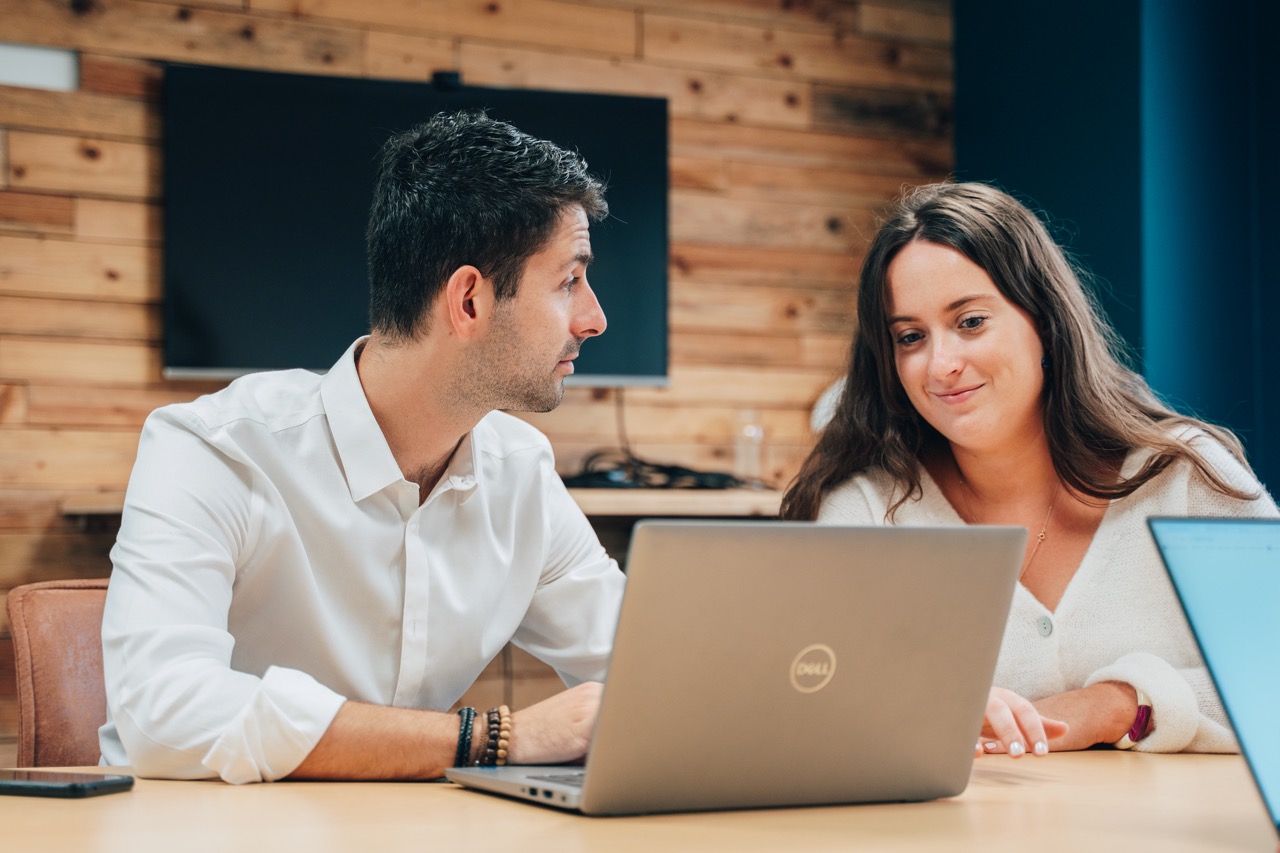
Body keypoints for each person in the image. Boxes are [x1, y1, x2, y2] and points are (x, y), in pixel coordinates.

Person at [100, 111, 627, 783]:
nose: (595, 317)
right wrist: (497, 736)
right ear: (469, 300)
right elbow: (163, 711)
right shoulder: (213, 451)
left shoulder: (519, 470)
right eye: (569, 280)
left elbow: (646, 668)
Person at [782, 182, 1278, 757]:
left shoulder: (1184, 477)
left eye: (970, 322)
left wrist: (1113, 705)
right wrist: (917, 703)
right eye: (911, 337)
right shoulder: (865, 509)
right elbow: (810, 702)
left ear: (1044, 320)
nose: (941, 365)